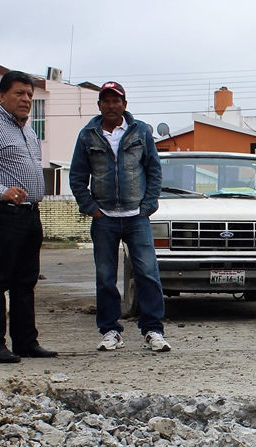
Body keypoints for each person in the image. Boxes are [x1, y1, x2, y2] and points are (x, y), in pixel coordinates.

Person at [69, 81, 171, 353]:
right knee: (105, 276)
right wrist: (91, 208)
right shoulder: (87, 135)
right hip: (104, 219)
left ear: (125, 105)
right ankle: (110, 331)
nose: (111, 106)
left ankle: (153, 330)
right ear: (100, 105)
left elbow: (154, 170)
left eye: (117, 101)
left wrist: (148, 206)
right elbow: (77, 178)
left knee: (148, 273)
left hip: (137, 217)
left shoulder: (140, 132)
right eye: (106, 101)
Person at [0, 70, 56, 364]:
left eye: (29, 95)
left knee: (25, 282)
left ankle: (26, 342)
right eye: (19, 93)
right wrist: (2, 191)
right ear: (2, 96)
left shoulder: (29, 132)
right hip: (4, 215)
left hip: (30, 215)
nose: (26, 99)